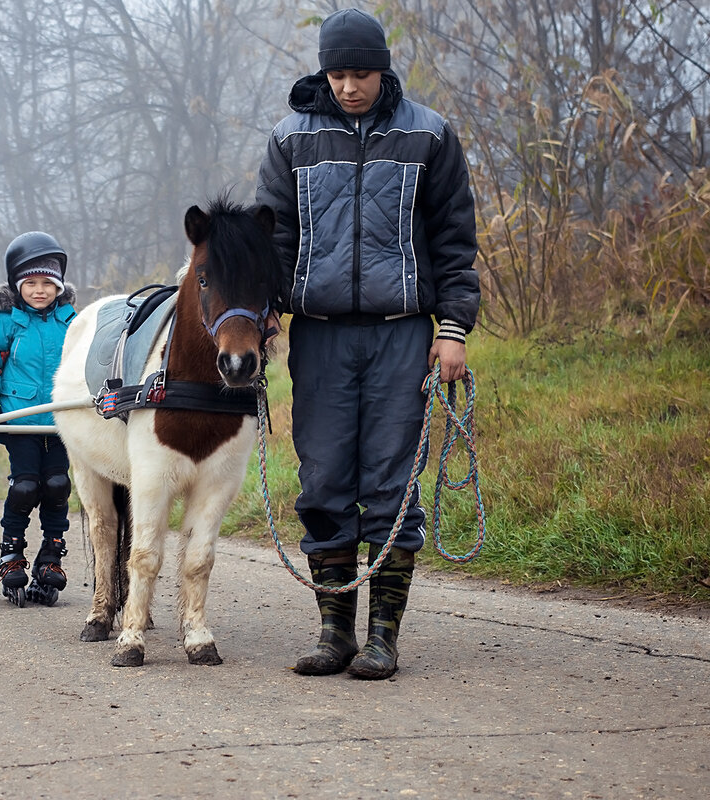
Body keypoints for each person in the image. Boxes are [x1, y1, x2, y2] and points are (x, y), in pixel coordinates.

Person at [256, 8, 480, 679]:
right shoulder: (290, 138)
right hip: (319, 336)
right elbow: (274, 243)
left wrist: (452, 329)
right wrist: (266, 315)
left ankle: (383, 636)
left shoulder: (429, 134)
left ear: (383, 69)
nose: (351, 86)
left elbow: (454, 243)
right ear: (324, 71)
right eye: (339, 73)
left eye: (363, 73)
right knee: (323, 477)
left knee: (390, 479)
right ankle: (334, 633)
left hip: (402, 334)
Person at [0, 232, 77, 606]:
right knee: (25, 487)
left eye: (47, 284)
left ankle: (51, 555)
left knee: (57, 485)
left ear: (58, 287)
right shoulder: (6, 323)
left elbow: (87, 365)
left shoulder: (72, 323)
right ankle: (11, 552)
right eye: (30, 283)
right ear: (18, 286)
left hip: (61, 422)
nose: (39, 290)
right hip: (20, 420)